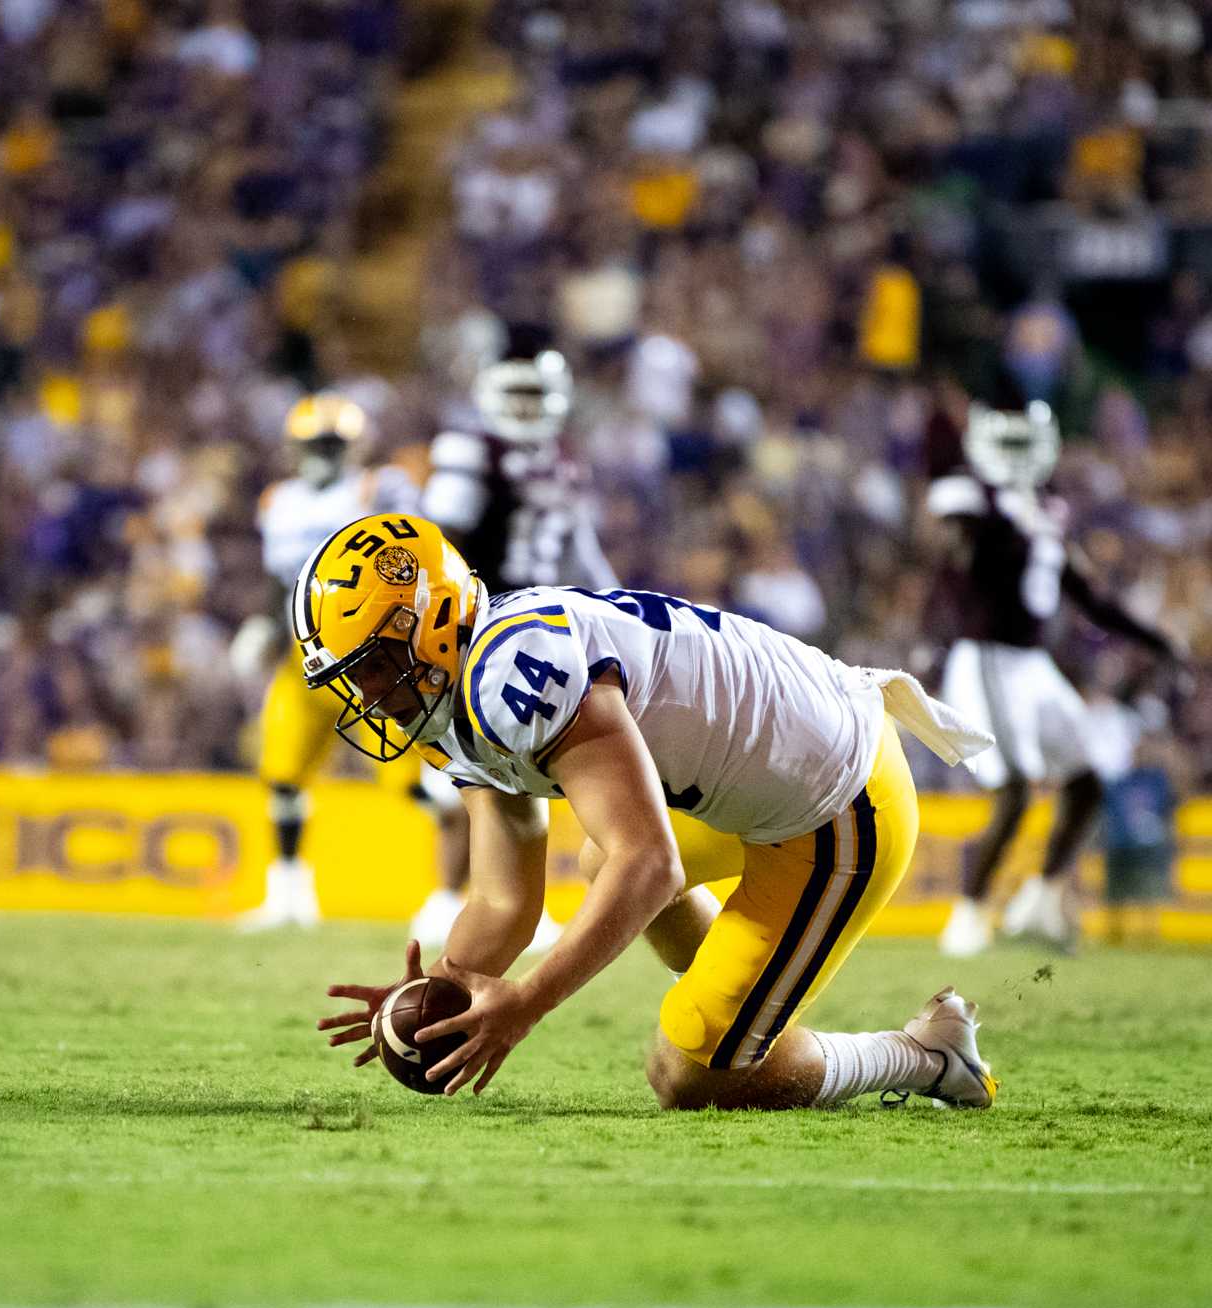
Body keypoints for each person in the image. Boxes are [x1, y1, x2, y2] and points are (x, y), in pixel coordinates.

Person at [304, 512, 1001, 1111]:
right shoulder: (468, 687)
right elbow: (502, 896)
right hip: (763, 776)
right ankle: (732, 1009)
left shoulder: (512, 669)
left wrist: (528, 1001)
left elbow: (651, 863)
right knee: (602, 856)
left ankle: (927, 1055)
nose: (365, 691)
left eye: (371, 664)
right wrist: (448, 986)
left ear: (429, 625)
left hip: (837, 797)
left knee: (687, 1075)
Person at [928, 399, 1184, 956]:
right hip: (986, 656)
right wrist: (1007, 514)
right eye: (1010, 447)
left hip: (1032, 664)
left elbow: (1088, 595)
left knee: (1088, 779)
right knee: (1016, 788)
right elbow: (960, 553)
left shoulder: (1046, 509)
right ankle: (968, 913)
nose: (1020, 459)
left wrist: (1156, 640)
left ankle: (1041, 900)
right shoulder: (974, 497)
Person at [415, 345, 614, 953]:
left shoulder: (564, 463)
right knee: (475, 765)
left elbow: (582, 552)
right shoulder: (469, 451)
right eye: (517, 395)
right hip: (484, 623)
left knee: (530, 764)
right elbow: (440, 540)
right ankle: (454, 897)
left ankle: (500, 901)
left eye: (536, 394)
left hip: (550, 623)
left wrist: (613, 607)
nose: (527, 408)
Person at [230, 394, 425, 931]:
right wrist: (264, 624)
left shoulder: (377, 489)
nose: (324, 453)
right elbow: (279, 578)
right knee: (283, 773)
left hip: (368, 652)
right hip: (301, 653)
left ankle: (462, 889)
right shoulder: (279, 500)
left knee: (414, 779)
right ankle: (288, 893)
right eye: (316, 444)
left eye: (333, 444)